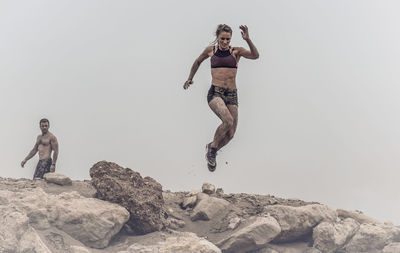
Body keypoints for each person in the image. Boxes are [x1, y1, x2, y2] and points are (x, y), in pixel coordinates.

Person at [183, 24, 259, 171]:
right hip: (215, 93)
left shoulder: (236, 51)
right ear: (217, 37)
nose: (225, 42)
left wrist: (248, 40)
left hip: (231, 94)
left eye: (228, 39)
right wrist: (189, 78)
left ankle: (212, 147)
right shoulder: (211, 51)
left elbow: (255, 56)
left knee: (231, 134)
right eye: (222, 38)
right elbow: (198, 61)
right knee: (228, 120)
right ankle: (212, 152)